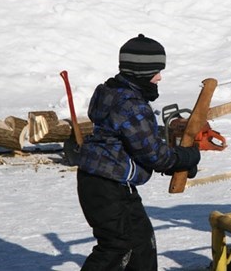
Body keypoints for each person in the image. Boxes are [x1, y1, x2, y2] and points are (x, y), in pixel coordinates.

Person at [76, 34, 201, 270]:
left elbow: (138, 143)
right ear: (141, 72)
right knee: (117, 246)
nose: (160, 77)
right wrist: (187, 157)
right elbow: (154, 155)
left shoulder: (111, 91)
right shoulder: (132, 105)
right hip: (107, 186)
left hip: (110, 184)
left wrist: (175, 159)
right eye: (156, 71)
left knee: (142, 242)